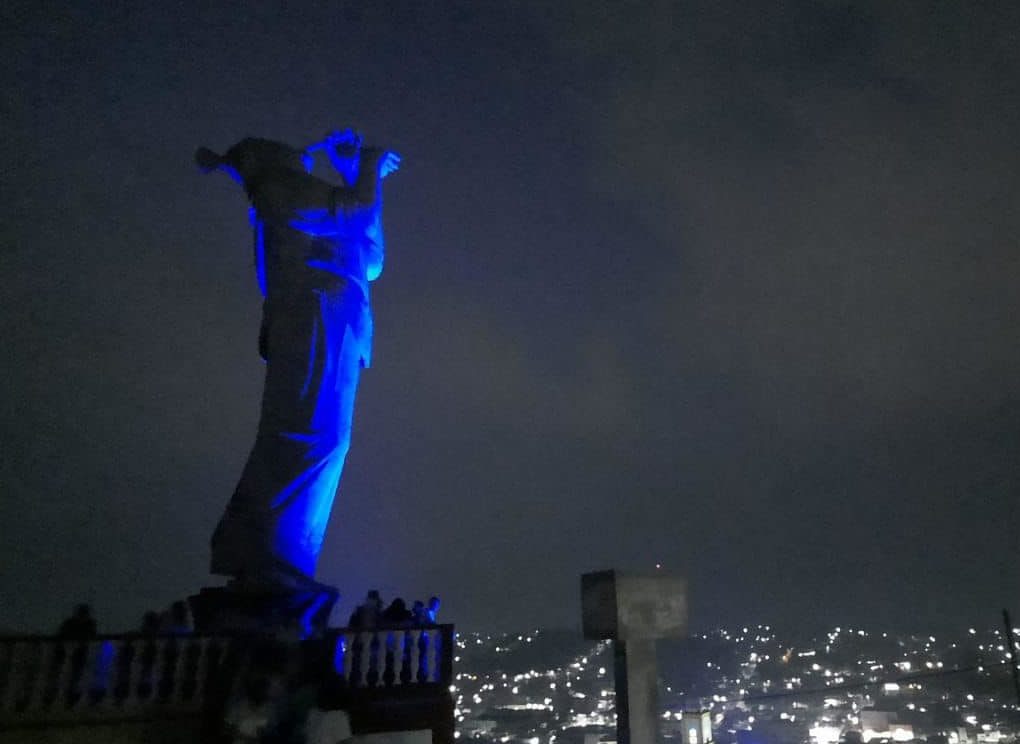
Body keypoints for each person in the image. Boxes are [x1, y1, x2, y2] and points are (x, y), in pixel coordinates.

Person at [198, 132, 400, 588]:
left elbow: (370, 258)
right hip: (316, 314)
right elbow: (356, 213)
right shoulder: (281, 189)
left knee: (324, 436)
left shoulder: (292, 193)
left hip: (333, 315)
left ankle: (280, 557)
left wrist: (360, 175)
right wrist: (365, 168)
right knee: (307, 432)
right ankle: (265, 555)